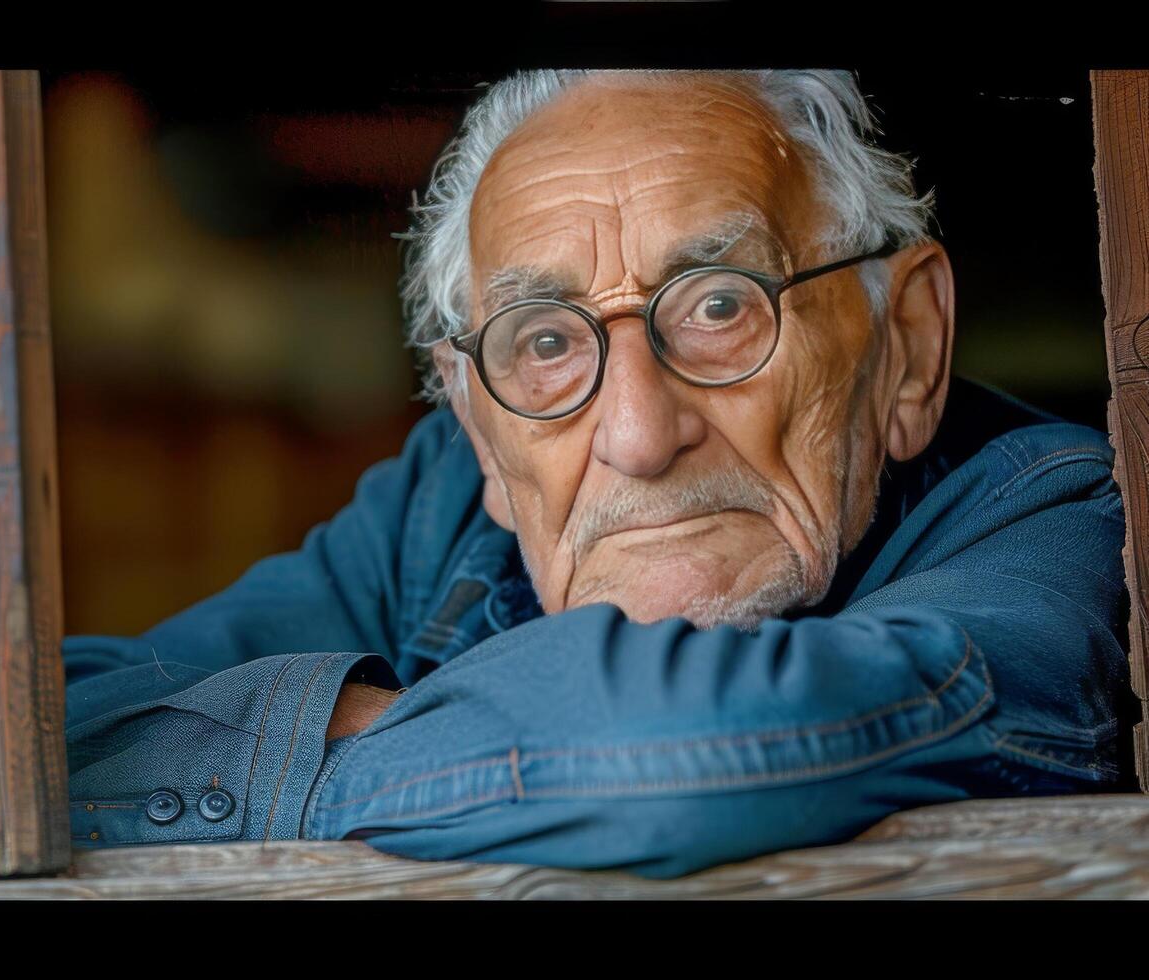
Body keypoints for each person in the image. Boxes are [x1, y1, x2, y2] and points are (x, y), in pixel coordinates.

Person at [60, 69, 1139, 877]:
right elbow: (38, 722)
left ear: (903, 344)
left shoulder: (1059, 518)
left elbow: (666, 754)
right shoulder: (442, 511)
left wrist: (314, 739)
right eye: (545, 341)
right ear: (480, 429)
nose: (634, 431)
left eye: (720, 306)